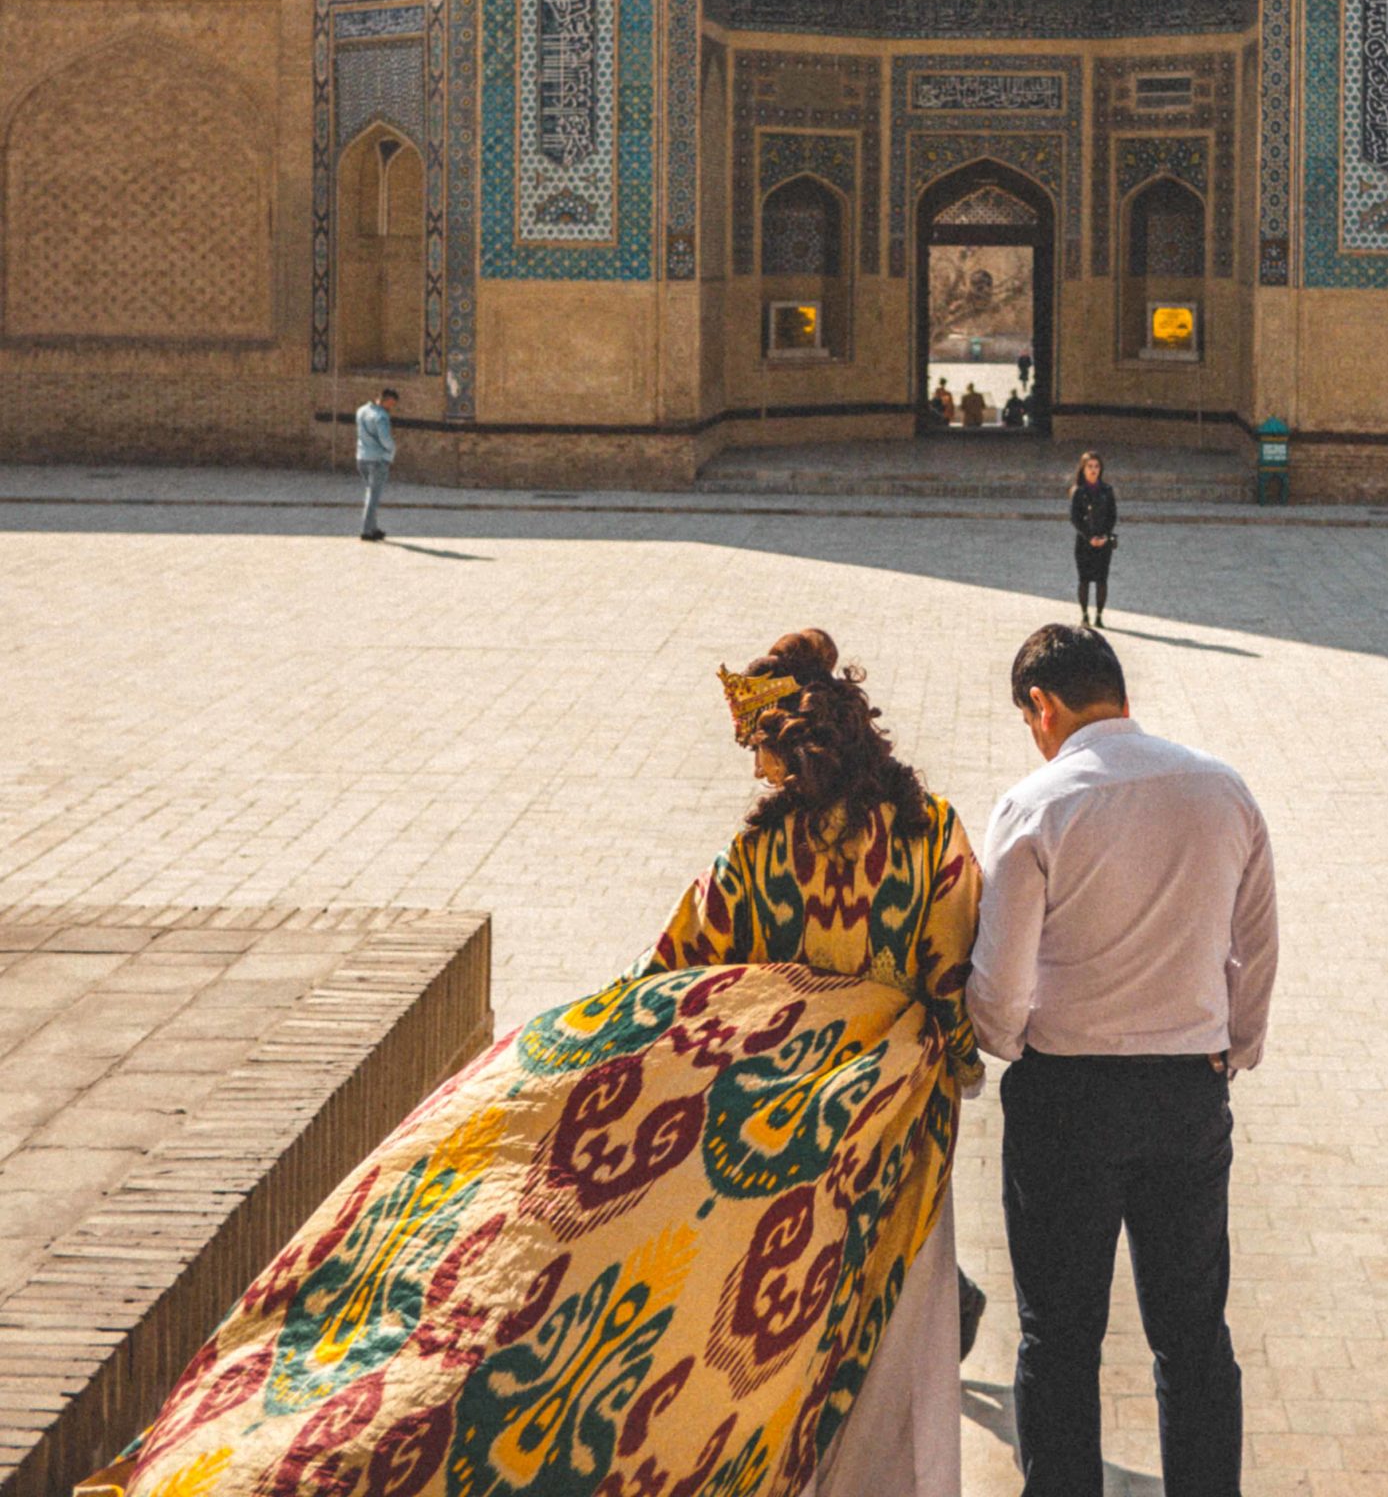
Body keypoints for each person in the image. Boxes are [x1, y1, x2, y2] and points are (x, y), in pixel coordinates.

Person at [108, 630, 983, 1497]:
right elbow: (951, 985)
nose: (759, 774)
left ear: (789, 751)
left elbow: (670, 975)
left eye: (761, 755)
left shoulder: (756, 853)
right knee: (867, 1345)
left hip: (747, 1144)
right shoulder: (930, 834)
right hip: (882, 1132)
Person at [969, 624, 1276, 1497]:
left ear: (1044, 705)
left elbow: (998, 989)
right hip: (1187, 1094)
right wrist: (1232, 1050)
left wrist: (1008, 1042)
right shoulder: (1222, 790)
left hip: (1067, 1100)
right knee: (1192, 1337)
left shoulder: (1035, 805)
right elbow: (1257, 946)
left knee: (1059, 1338)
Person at [1068, 449, 1116, 624]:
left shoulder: (1107, 490)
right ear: (1083, 469)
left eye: (1096, 466)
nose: (1093, 470)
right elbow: (1075, 518)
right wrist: (1089, 537)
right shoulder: (1078, 492)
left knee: (1102, 580)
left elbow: (1112, 516)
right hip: (1084, 542)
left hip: (1103, 542)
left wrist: (1104, 536)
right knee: (1085, 579)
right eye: (1089, 466)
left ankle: (1099, 615)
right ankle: (1084, 615)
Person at [353, 386, 398, 540]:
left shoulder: (361, 411)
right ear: (384, 400)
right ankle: (366, 530)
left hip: (362, 458)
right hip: (377, 459)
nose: (391, 407)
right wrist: (392, 449)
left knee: (371, 494)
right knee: (373, 496)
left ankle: (373, 528)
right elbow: (385, 439)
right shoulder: (381, 416)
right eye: (391, 403)